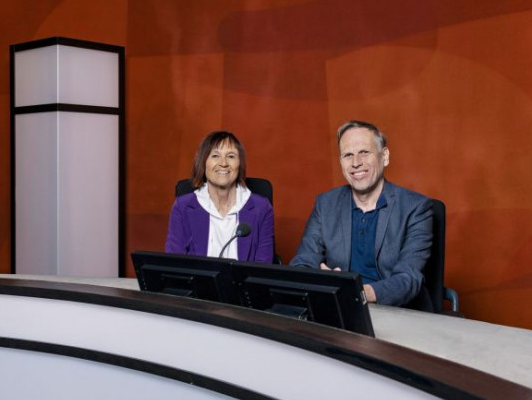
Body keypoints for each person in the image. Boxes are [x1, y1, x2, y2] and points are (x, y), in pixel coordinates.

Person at [290, 120, 433, 308]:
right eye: (348, 155)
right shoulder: (325, 204)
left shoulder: (416, 207)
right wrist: (322, 281)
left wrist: (358, 293)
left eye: (364, 152)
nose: (356, 163)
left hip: (395, 311)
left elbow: (409, 279)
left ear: (384, 156)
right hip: (338, 307)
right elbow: (301, 264)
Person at [165, 131, 275, 263]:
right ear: (203, 162)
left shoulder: (262, 208)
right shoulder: (182, 207)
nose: (223, 163)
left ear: (239, 164)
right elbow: (174, 264)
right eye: (215, 156)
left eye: (231, 156)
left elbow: (263, 265)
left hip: (245, 278)